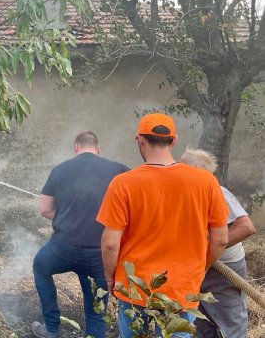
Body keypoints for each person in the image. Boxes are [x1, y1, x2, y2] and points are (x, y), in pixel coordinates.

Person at [96, 113, 229, 338]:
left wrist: (111, 278)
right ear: (174, 140)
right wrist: (197, 269)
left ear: (140, 140)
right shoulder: (206, 182)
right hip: (180, 289)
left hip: (133, 287)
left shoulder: (123, 183)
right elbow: (221, 239)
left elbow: (110, 244)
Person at [31, 131, 129, 338]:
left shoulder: (59, 169)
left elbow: (45, 209)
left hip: (62, 247)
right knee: (95, 308)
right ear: (98, 149)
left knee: (40, 267)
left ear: (76, 148)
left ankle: (51, 328)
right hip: (99, 252)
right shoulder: (119, 170)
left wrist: (68, 216)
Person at [180, 147, 256, 338]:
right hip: (199, 265)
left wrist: (209, 249)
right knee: (202, 321)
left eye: (182, 166)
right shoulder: (186, 193)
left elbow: (245, 227)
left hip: (224, 268)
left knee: (231, 323)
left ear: (196, 171)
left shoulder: (218, 192)